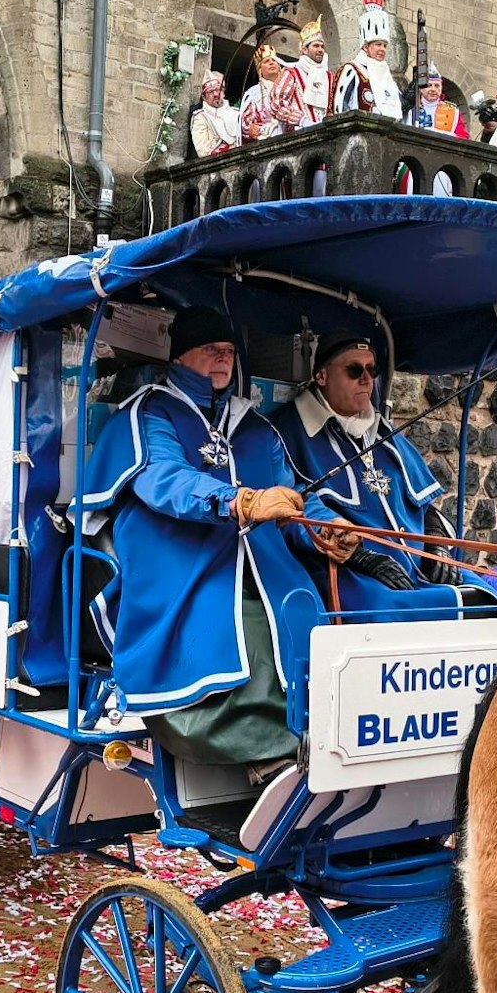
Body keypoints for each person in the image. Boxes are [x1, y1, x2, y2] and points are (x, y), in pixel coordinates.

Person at [78, 306, 314, 776]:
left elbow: (294, 496)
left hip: (255, 559)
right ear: (182, 356)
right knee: (235, 618)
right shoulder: (150, 410)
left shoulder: (253, 425)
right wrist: (240, 501)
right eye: (212, 350)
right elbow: (163, 479)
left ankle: (313, 734)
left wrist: (325, 530)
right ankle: (264, 752)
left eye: (228, 351)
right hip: (175, 556)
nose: (223, 359)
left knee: (302, 605)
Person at [268, 331, 496, 616]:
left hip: (416, 564)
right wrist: (361, 557)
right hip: (346, 568)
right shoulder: (285, 432)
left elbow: (423, 502)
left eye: (371, 370)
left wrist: (438, 548)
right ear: (322, 376)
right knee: (389, 612)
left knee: (488, 600)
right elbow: (293, 507)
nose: (366, 379)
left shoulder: (385, 433)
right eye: (354, 370)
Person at [333, 0, 402, 120]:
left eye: (385, 45)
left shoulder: (387, 75)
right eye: (378, 44)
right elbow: (340, 107)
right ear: (365, 47)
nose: (382, 49)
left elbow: (397, 107)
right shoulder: (352, 69)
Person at [275, 19, 333, 130]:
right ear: (305, 50)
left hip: (326, 136)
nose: (320, 50)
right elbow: (277, 105)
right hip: (298, 138)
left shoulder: (330, 77)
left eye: (322, 46)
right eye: (316, 46)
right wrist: (297, 119)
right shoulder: (291, 73)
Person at [239, 44, 289, 143]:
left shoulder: (290, 86)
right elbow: (246, 124)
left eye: (274, 60)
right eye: (266, 61)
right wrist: (250, 129)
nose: (271, 63)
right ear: (260, 70)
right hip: (265, 141)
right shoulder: (253, 93)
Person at [405, 67, 469, 139]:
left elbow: (463, 138)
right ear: (421, 89)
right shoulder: (411, 111)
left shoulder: (453, 112)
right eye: (429, 85)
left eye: (436, 85)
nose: (433, 89)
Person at [189, 72, 241, 158]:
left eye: (217, 90)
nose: (216, 94)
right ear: (204, 97)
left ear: (223, 92)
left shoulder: (236, 113)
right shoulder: (201, 117)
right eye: (210, 92)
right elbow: (203, 151)